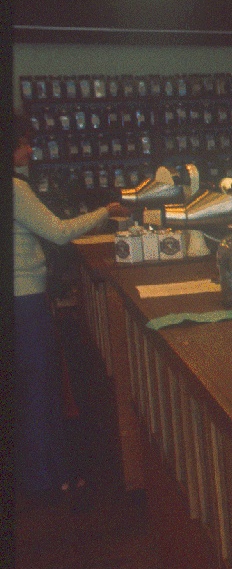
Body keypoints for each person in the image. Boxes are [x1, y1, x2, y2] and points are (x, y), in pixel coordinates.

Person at [12, 115, 129, 500]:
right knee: (40, 389)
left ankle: (38, 475)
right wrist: (105, 212)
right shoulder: (14, 188)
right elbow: (58, 231)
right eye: (24, 142)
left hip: (20, 299)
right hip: (25, 300)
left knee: (31, 389)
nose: (30, 149)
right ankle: (47, 480)